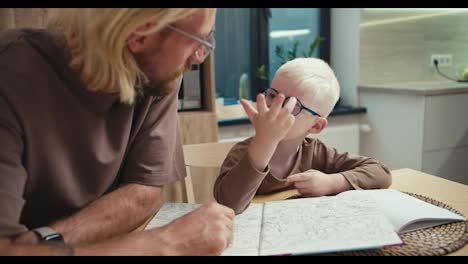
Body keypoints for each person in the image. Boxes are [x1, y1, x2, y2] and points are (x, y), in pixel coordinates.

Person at [0, 8, 234, 256]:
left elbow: (143, 191)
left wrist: (42, 243)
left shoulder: (159, 76)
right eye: (197, 40)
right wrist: (167, 244)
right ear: (140, 34)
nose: (199, 57)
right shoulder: (10, 76)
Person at [213, 58, 392, 214]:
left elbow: (380, 173)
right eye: (273, 95)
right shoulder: (243, 152)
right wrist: (265, 142)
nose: (275, 106)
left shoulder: (317, 152)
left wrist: (332, 182)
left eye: (292, 105)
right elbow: (229, 204)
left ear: (315, 125)